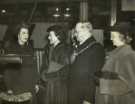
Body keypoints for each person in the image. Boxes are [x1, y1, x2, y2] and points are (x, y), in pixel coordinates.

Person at [98, 22, 135, 104]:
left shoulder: (129, 55)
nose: (111, 39)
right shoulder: (116, 53)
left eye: (113, 36)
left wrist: (103, 83)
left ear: (123, 37)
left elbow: (130, 84)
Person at [68, 22, 105, 104]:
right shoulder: (79, 46)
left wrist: (89, 99)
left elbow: (95, 76)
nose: (75, 34)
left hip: (83, 95)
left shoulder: (96, 48)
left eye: (77, 32)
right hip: (74, 92)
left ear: (86, 31)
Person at [1, 23, 38, 104]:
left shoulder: (30, 48)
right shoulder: (11, 49)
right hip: (17, 87)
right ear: (18, 35)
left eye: (27, 33)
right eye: (23, 33)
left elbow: (34, 67)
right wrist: (9, 87)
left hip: (30, 86)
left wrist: (36, 83)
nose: (26, 35)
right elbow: (7, 71)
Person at [38, 25, 71, 104]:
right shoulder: (48, 48)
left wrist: (47, 75)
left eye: (50, 35)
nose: (48, 37)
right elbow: (44, 65)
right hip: (48, 85)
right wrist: (43, 75)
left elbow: (65, 70)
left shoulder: (65, 49)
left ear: (58, 36)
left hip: (59, 87)